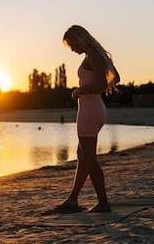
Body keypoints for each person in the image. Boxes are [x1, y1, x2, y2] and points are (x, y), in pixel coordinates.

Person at [56, 25, 120, 213]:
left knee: (90, 159)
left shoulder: (92, 54)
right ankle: (73, 199)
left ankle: (103, 203)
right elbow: (115, 78)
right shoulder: (97, 54)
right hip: (96, 109)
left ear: (79, 40)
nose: (72, 50)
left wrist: (79, 91)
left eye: (72, 45)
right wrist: (93, 89)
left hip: (89, 111)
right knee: (83, 156)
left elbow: (101, 83)